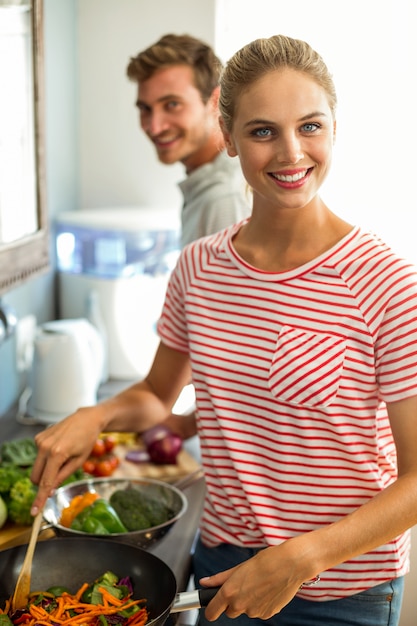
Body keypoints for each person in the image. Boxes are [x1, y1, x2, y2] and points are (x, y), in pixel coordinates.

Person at [30, 34, 417, 626]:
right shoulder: (199, 267)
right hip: (222, 570)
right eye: (263, 131)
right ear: (229, 137)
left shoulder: (384, 280)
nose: (291, 153)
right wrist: (96, 416)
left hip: (343, 589)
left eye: (310, 126)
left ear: (335, 128)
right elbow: (158, 395)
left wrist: (299, 558)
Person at [126, 33, 251, 248]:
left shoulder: (223, 199)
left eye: (172, 105)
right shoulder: (206, 185)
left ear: (215, 101)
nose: (154, 127)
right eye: (145, 109)